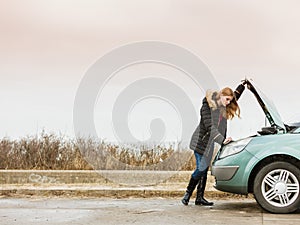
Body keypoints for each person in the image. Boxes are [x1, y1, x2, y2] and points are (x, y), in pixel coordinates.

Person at [181, 81, 246, 206]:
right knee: (201, 169)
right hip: (200, 142)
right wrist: (222, 140)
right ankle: (187, 193)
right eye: (226, 99)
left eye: (229, 101)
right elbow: (209, 126)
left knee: (204, 170)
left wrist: (243, 86)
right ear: (221, 95)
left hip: (210, 144)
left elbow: (235, 96)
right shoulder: (207, 105)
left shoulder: (223, 105)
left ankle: (199, 198)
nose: (228, 103)